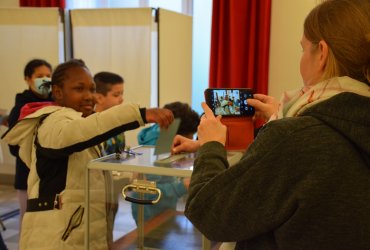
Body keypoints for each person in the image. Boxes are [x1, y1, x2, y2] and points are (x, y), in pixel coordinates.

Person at [174, 0, 370, 249]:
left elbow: (208, 211)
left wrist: (211, 145)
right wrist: (286, 124)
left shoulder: (295, 138)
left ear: (322, 53)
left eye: (302, 49)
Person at [1, 59, 174, 250]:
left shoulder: (82, 124)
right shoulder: (51, 123)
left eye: (91, 89)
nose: (88, 96)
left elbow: (94, 172)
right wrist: (139, 114)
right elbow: (79, 131)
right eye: (79, 89)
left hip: (84, 234)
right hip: (56, 239)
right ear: (58, 92)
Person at [132, 101, 200, 224]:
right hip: (150, 213)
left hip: (165, 209)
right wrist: (182, 186)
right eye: (185, 140)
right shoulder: (156, 147)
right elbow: (148, 191)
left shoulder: (162, 134)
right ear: (175, 134)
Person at [6, 59, 53, 232]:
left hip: (52, 175)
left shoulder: (57, 103)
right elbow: (13, 145)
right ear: (28, 79)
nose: (45, 79)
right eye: (40, 76)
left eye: (48, 75)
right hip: (28, 175)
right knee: (29, 224)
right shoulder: (21, 107)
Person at [94, 71, 125, 155]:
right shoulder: (92, 125)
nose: (121, 99)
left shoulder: (118, 123)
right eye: (116, 95)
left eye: (122, 94)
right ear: (99, 98)